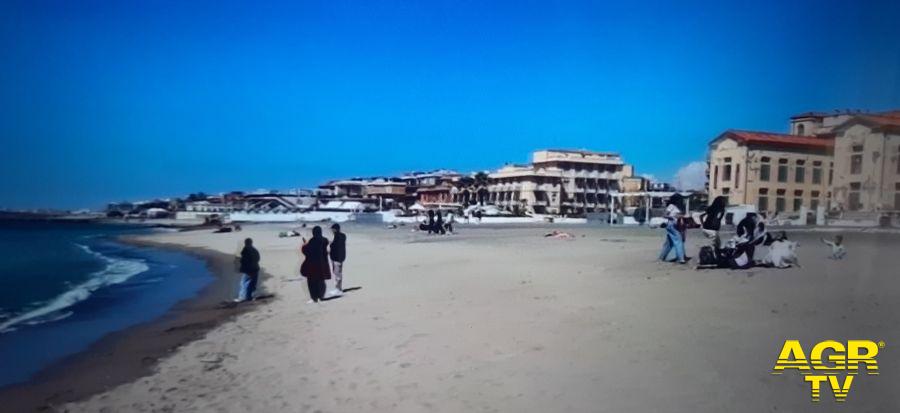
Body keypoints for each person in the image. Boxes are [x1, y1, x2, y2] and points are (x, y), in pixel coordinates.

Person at [300, 226, 331, 303]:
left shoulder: (312, 241)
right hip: (322, 264)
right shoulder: (324, 240)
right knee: (321, 281)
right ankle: (321, 297)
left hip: (312, 265)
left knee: (311, 282)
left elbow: (306, 251)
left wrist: (304, 244)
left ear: (313, 233)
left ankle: (314, 298)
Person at [658, 194, 686, 264]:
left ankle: (662, 257)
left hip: (676, 225)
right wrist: (672, 216)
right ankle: (681, 258)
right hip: (671, 225)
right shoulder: (671, 206)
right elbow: (664, 215)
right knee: (678, 240)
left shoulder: (679, 207)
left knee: (669, 243)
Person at [235, 238, 260, 302]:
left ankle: (245, 297)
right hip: (255, 269)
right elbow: (258, 258)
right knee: (251, 283)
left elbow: (244, 260)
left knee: (245, 283)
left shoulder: (246, 250)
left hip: (250, 269)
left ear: (246, 243)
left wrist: (242, 268)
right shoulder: (254, 250)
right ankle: (249, 296)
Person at [329, 223, 347, 295]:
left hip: (337, 258)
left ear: (335, 229)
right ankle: (338, 288)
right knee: (337, 273)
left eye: (332, 229)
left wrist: (331, 244)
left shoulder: (337, 236)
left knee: (337, 273)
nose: (332, 231)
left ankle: (338, 289)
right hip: (340, 257)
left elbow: (335, 246)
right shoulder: (342, 236)